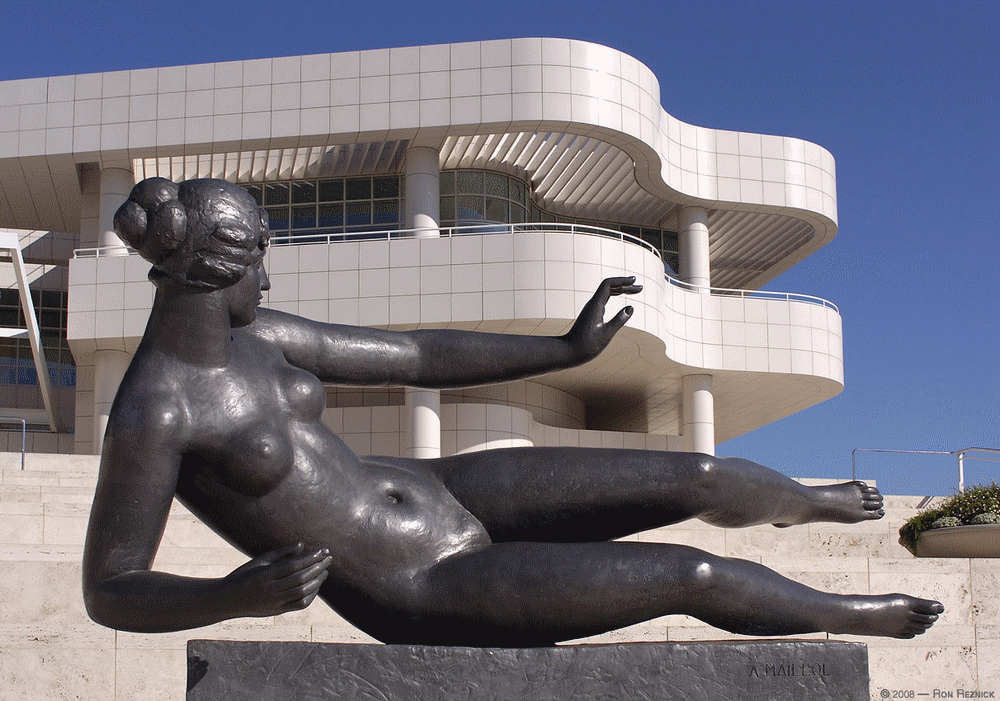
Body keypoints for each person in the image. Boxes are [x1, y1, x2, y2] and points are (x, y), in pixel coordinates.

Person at [83, 177, 943, 646]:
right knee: (692, 574)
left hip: (451, 488)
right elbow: (110, 588)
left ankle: (804, 501)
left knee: (700, 473)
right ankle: (850, 614)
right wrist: (231, 597)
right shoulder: (156, 411)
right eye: (260, 258)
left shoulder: (263, 334)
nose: (268, 280)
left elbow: (419, 356)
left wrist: (563, 352)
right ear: (215, 267)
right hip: (414, 585)